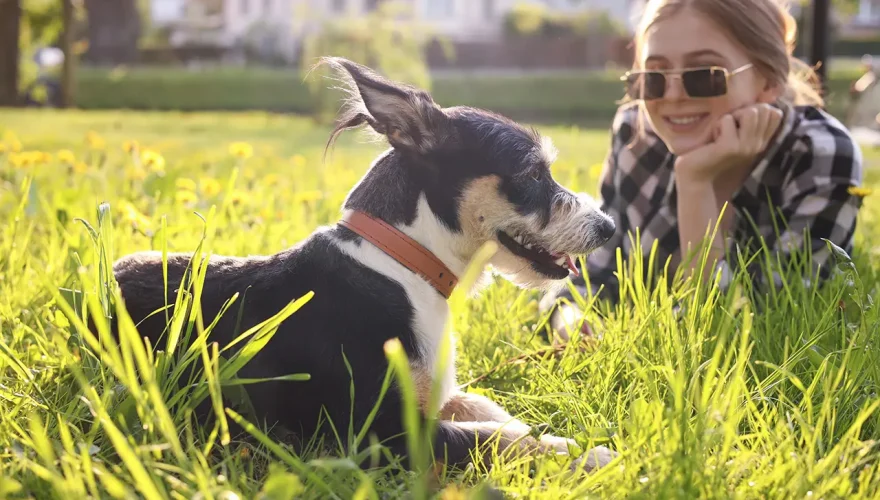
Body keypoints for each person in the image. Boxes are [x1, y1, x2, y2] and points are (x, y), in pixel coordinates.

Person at [539, 0, 865, 341]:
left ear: (769, 80)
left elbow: (762, 328)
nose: (673, 96)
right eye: (654, 77)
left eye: (704, 75)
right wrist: (572, 322)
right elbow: (593, 274)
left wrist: (695, 181)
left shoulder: (821, 156)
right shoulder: (636, 132)